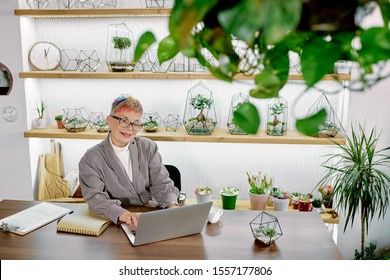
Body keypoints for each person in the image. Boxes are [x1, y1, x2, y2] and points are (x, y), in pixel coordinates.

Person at [79, 95, 179, 228]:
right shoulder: (91, 159)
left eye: (136, 122)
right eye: (123, 120)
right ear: (109, 120)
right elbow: (96, 199)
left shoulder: (148, 147)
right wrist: (125, 215)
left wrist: (173, 206)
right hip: (117, 222)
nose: (130, 128)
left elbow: (162, 184)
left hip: (151, 217)